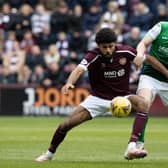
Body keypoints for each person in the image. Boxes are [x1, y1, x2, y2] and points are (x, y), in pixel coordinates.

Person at [35, 28, 151, 162]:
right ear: (98, 46)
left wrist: (141, 58)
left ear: (115, 44)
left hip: (122, 97)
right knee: (65, 125)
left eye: (110, 46)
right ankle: (49, 154)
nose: (108, 50)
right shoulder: (93, 55)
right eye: (104, 47)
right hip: (97, 99)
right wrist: (69, 83)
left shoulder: (125, 51)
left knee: (143, 103)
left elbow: (145, 57)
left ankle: (131, 146)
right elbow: (79, 69)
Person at [124, 21, 168, 160]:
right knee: (144, 103)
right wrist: (139, 54)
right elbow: (143, 43)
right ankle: (134, 146)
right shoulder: (162, 27)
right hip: (150, 76)